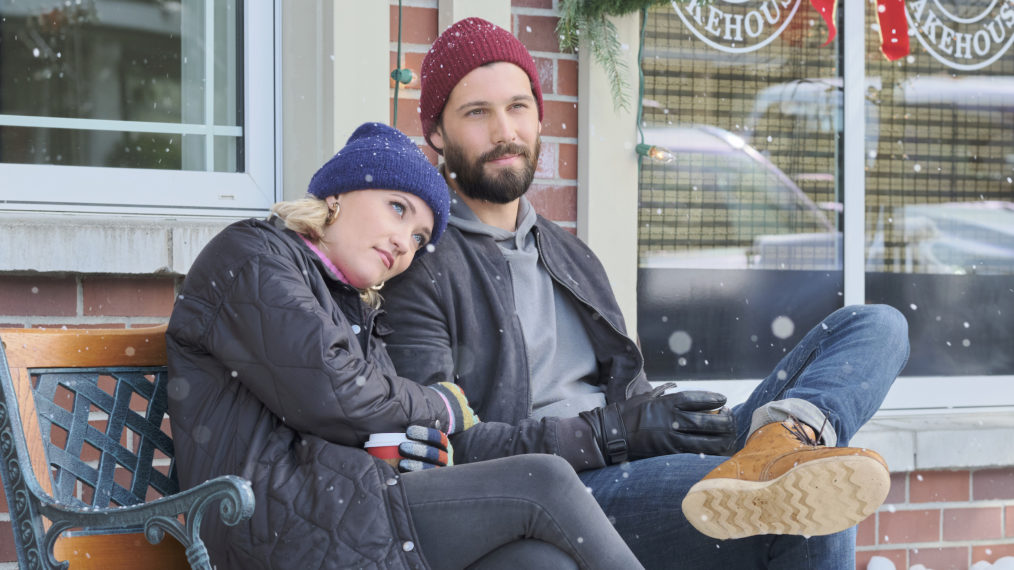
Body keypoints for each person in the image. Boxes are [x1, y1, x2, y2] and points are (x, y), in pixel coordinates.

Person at [381, 17, 911, 569]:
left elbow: (626, 391)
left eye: (517, 107)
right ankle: (776, 465)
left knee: (876, 326)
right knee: (807, 507)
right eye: (476, 113)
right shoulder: (421, 267)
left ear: (539, 117)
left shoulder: (571, 255)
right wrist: (614, 433)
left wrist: (664, 418)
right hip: (565, 487)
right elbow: (448, 447)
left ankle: (777, 441)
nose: (503, 131)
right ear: (437, 134)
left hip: (631, 454)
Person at [165, 121, 645, 570]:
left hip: (342, 505)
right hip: (266, 520)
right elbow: (339, 394)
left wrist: (423, 451)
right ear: (337, 195)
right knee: (544, 480)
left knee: (539, 562)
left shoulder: (353, 304)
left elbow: (365, 417)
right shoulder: (253, 255)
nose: (404, 243)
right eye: (397, 208)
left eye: (419, 237)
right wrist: (442, 406)